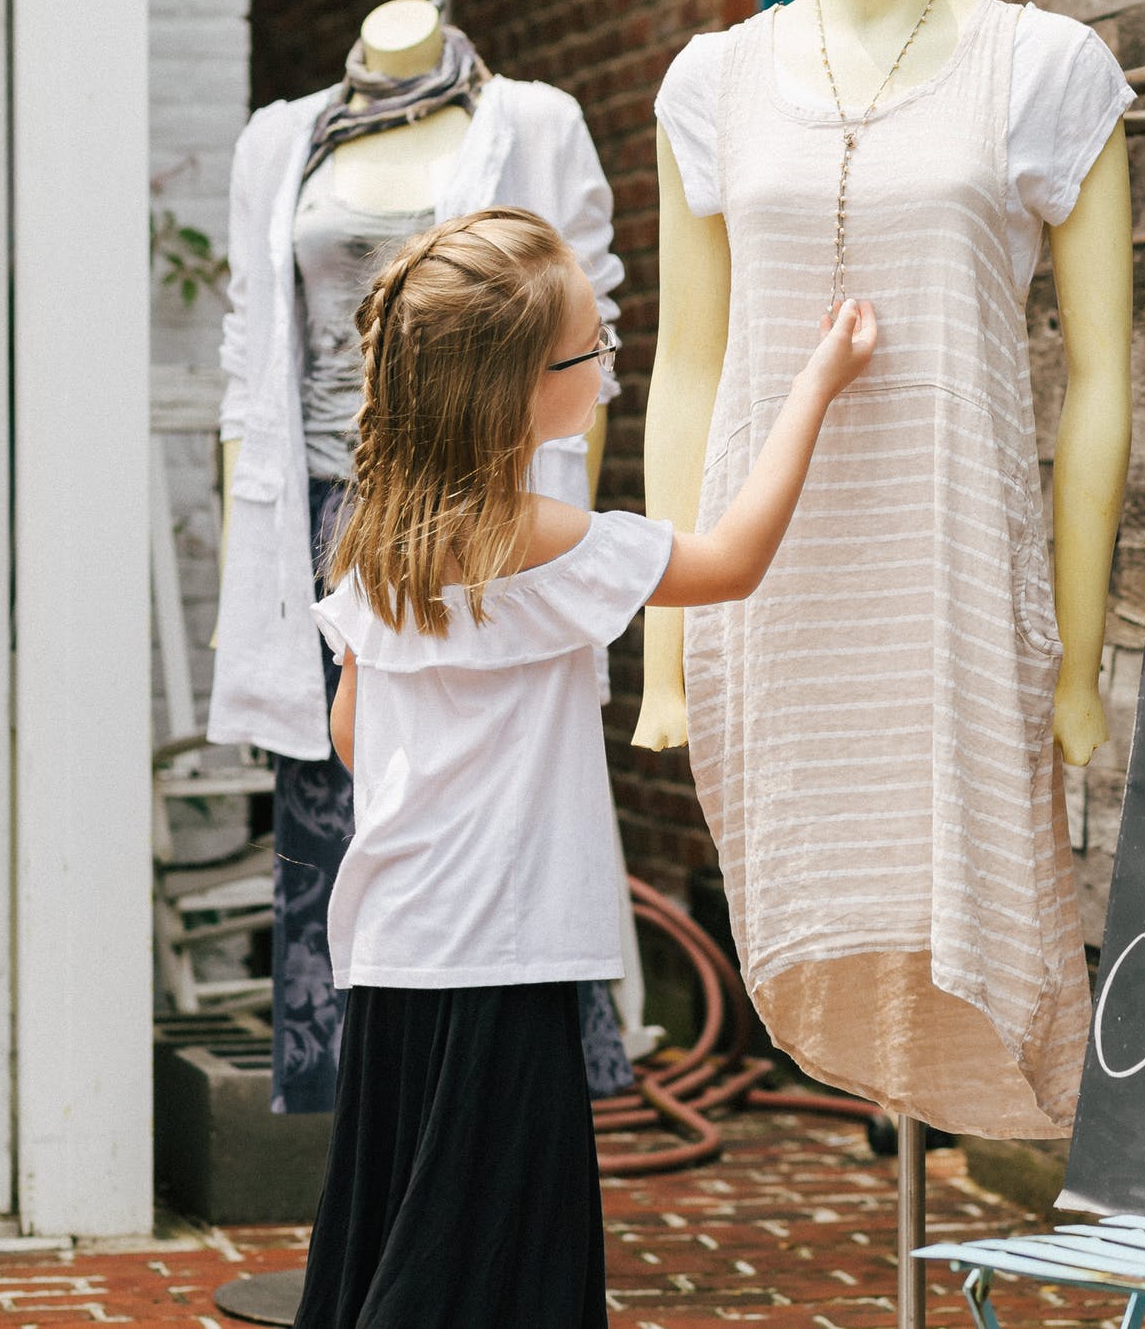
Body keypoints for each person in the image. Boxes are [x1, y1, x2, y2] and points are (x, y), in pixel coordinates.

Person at [292, 206, 877, 1329]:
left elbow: (353, 739)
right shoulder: (550, 538)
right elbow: (734, 560)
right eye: (591, 348)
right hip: (503, 948)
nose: (608, 361)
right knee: (495, 1263)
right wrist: (818, 383)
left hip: (398, 941)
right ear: (516, 388)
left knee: (401, 1231)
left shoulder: (379, 539)